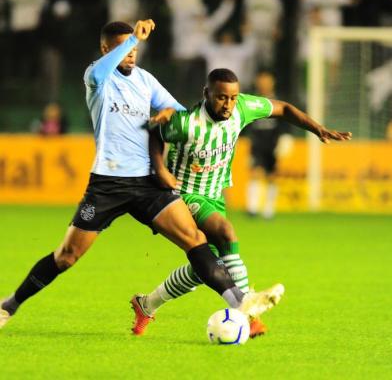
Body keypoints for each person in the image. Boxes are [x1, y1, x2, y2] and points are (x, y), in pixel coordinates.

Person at [0, 21, 278, 330]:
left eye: (134, 49)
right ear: (106, 49)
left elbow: (178, 111)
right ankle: (9, 306)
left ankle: (242, 306)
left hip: (147, 183)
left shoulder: (146, 81)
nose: (131, 53)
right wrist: (133, 35)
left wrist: (168, 114)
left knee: (195, 239)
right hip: (107, 184)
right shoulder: (97, 78)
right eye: (124, 49)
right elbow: (100, 71)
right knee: (67, 256)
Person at [130, 68, 351, 336]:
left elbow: (283, 109)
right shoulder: (186, 123)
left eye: (233, 98)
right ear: (206, 94)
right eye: (221, 98)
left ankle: (146, 304)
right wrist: (160, 169)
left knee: (207, 269)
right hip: (182, 194)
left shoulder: (243, 107)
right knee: (226, 232)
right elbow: (155, 134)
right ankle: (248, 311)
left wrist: (317, 128)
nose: (228, 104)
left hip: (214, 197)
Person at [245, 70, 292, 219]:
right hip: (257, 143)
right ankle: (252, 208)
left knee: (272, 175)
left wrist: (285, 138)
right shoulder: (251, 101)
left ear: (272, 82)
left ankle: (269, 209)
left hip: (273, 143)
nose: (264, 84)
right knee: (255, 173)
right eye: (261, 81)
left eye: (266, 81)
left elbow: (285, 122)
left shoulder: (278, 101)